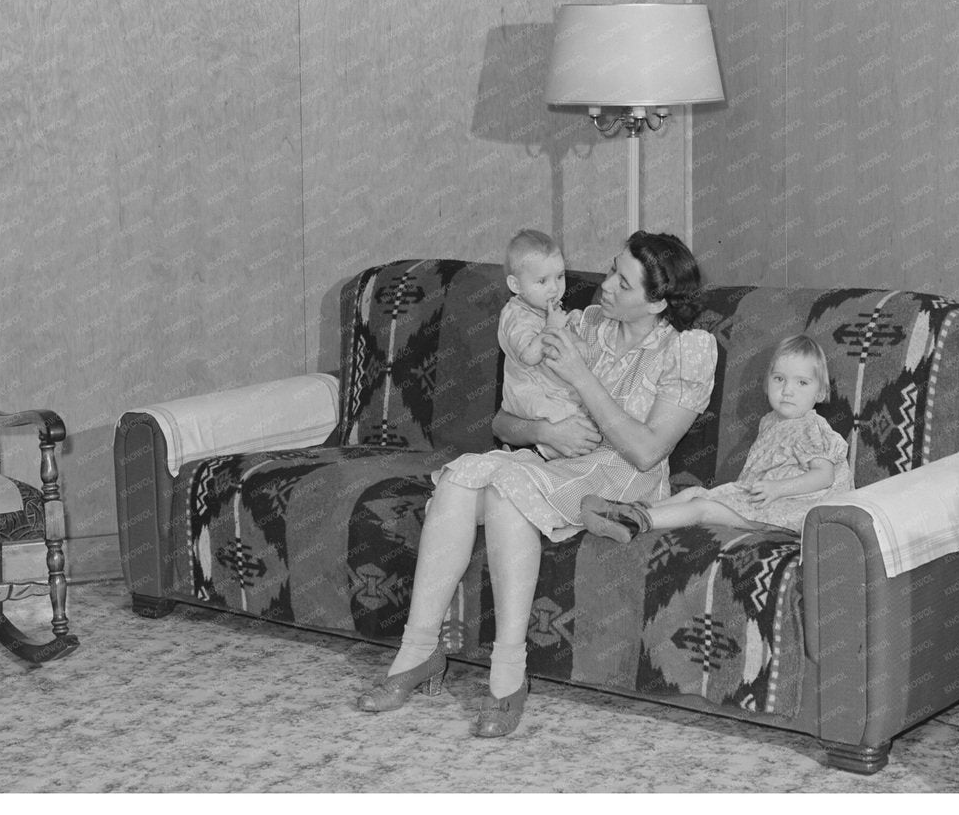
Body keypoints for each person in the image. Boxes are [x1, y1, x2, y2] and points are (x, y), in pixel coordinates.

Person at [354, 231, 718, 738]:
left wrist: (580, 376)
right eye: (612, 269)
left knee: (506, 488)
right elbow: (504, 425)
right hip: (554, 463)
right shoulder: (584, 325)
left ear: (657, 302)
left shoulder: (688, 350)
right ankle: (417, 653)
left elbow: (647, 450)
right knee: (461, 482)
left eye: (623, 282)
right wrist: (545, 431)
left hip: (621, 481)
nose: (605, 285)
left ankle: (506, 674)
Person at [579, 334, 850, 543]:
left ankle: (637, 521)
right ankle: (628, 511)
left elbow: (823, 476)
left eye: (802, 383)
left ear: (820, 392)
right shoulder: (770, 422)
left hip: (784, 514)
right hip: (760, 504)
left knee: (702, 508)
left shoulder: (812, 427)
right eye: (779, 379)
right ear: (767, 383)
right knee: (696, 492)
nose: (788, 390)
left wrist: (779, 488)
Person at [496, 229, 593, 461]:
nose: (554, 288)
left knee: (584, 419)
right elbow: (529, 355)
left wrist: (577, 333)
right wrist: (551, 328)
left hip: (550, 391)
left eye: (560, 277)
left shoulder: (547, 309)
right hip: (527, 394)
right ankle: (528, 455)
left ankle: (537, 458)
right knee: (573, 424)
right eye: (542, 281)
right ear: (515, 284)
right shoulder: (515, 315)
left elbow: (567, 348)